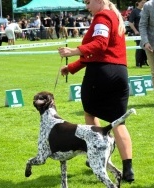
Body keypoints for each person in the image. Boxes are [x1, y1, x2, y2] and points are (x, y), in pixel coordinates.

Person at [58, 0, 134, 182]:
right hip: (120, 74)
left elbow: (99, 44)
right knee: (118, 122)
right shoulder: (116, 17)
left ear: (100, 1)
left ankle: (98, 154)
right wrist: (72, 68)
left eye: (88, 2)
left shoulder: (102, 17)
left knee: (90, 113)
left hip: (100, 74)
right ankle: (128, 170)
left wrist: (73, 51)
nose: (87, 6)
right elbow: (98, 53)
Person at [128, 0, 147, 67]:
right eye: (142, 2)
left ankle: (145, 62)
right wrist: (135, 31)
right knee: (139, 47)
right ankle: (138, 63)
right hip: (138, 33)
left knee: (146, 47)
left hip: (146, 32)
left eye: (145, 2)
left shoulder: (146, 10)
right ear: (138, 3)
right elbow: (130, 22)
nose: (144, 4)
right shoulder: (134, 11)